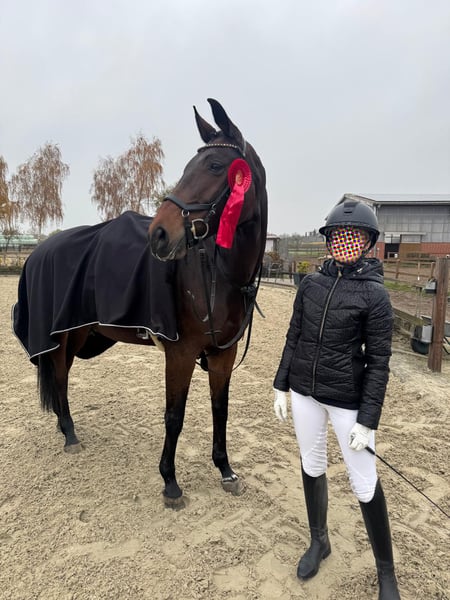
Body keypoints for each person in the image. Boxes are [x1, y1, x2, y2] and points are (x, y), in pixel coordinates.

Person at [273, 199, 401, 600]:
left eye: (353, 237)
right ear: (329, 241)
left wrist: (368, 420)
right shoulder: (310, 284)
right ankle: (319, 540)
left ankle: (386, 573)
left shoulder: (375, 296)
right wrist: (280, 384)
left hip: (347, 400)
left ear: (366, 242)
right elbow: (294, 336)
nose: (345, 243)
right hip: (305, 393)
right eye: (339, 236)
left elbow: (379, 362)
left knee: (364, 482)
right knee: (311, 465)